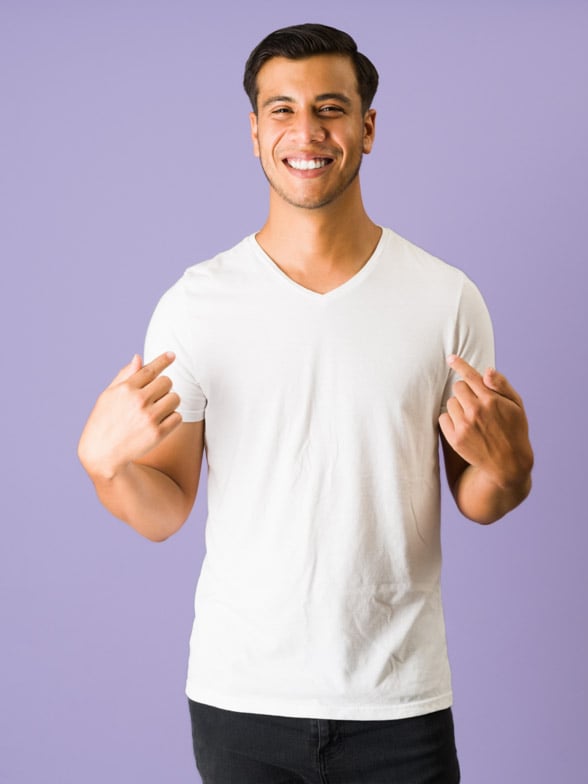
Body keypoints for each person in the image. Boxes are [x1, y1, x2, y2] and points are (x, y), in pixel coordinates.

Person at [78, 23, 533, 784]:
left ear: (367, 128)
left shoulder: (446, 299)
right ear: (255, 133)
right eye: (282, 110)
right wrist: (103, 467)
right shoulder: (196, 305)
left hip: (400, 700)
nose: (306, 131)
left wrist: (513, 470)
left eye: (330, 108)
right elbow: (164, 510)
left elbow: (478, 497)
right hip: (240, 699)